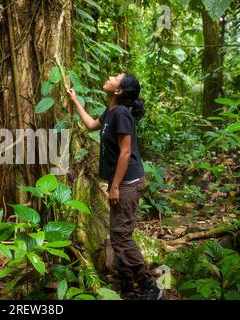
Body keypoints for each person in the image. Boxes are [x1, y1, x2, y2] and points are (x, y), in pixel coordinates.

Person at [67, 72, 163, 300]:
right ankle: (126, 284)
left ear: (118, 91)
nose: (110, 76)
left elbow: (126, 152)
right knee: (117, 234)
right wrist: (75, 101)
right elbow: (91, 125)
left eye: (116, 77)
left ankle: (150, 285)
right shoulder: (111, 112)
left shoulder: (121, 114)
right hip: (121, 182)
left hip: (128, 182)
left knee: (121, 237)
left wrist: (115, 186)